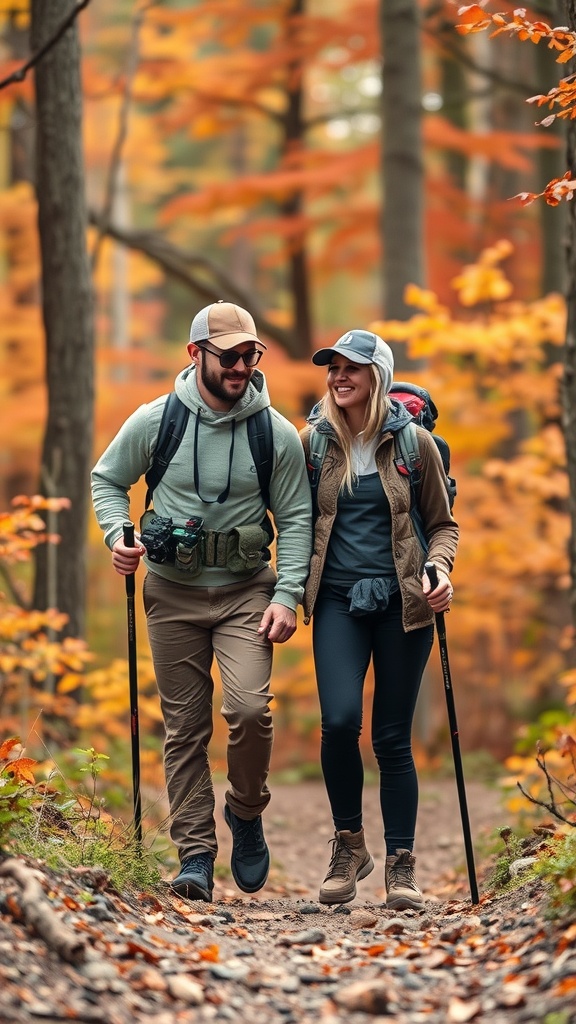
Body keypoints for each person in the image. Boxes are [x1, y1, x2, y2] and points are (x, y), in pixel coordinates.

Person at [91, 300, 312, 903]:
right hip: (171, 591)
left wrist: (288, 594)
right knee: (184, 728)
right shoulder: (156, 420)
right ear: (195, 355)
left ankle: (245, 811)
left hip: (247, 593)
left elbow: (296, 519)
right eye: (230, 355)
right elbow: (106, 479)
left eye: (251, 354)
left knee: (247, 712)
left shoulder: (276, 433)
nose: (243, 365)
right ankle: (194, 854)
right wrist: (119, 535)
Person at [300, 329, 459, 909]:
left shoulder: (415, 445)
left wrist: (439, 569)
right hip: (339, 601)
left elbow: (443, 525)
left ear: (378, 377)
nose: (340, 377)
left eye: (353, 368)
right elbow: (292, 520)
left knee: (393, 738)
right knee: (340, 722)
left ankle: (401, 865)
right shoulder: (312, 444)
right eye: (334, 368)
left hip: (404, 604)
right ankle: (349, 845)